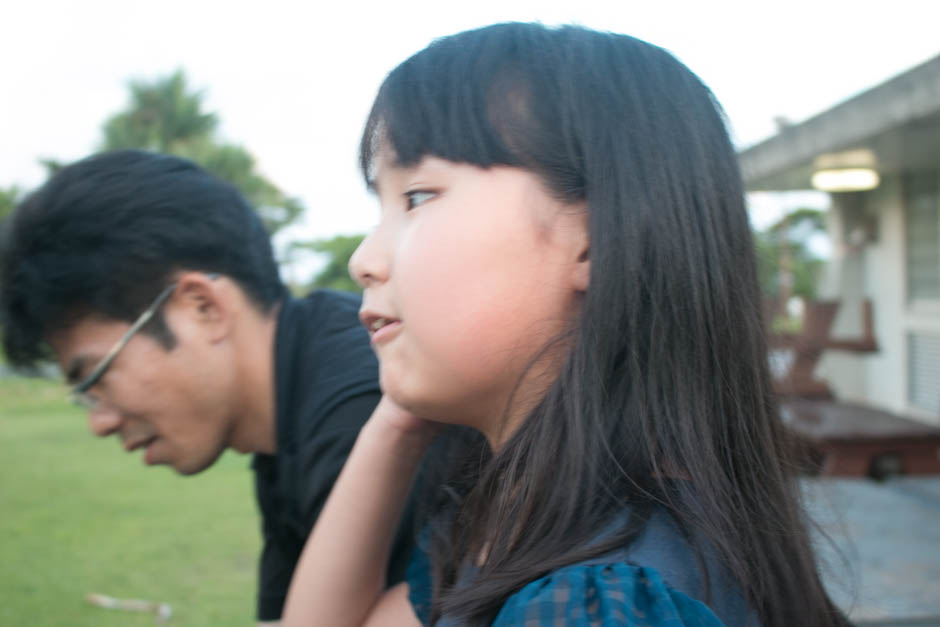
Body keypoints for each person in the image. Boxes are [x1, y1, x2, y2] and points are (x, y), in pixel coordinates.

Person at [280, 22, 849, 627]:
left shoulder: (590, 604)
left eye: (417, 197)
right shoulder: (538, 529)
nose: (363, 260)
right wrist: (396, 424)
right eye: (381, 206)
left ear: (597, 238)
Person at [0, 150, 419, 625]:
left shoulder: (364, 408)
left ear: (203, 307)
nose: (100, 422)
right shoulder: (287, 408)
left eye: (96, 376)